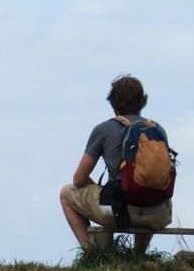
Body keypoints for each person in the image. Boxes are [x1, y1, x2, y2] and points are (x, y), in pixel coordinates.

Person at [60, 75, 172, 253]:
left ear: (113, 103)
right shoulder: (157, 130)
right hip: (158, 213)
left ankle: (93, 254)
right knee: (147, 186)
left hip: (120, 212)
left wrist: (100, 188)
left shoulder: (104, 129)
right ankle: (138, 255)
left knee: (66, 193)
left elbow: (79, 179)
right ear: (142, 102)